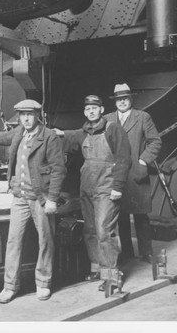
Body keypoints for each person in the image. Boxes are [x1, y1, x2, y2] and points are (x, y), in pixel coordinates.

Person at [0, 99, 66, 304]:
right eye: (22, 115)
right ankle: (10, 286)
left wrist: (52, 199)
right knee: (13, 241)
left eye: (30, 114)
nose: (26, 118)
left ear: (38, 115)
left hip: (40, 198)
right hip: (19, 197)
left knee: (45, 241)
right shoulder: (19, 133)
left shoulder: (49, 137)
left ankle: (43, 283)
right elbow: (2, 137)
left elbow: (58, 170)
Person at [54, 95, 131, 291]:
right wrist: (57, 133)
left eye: (94, 108)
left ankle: (112, 276)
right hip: (87, 186)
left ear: (102, 110)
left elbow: (124, 158)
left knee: (105, 230)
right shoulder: (83, 132)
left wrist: (118, 187)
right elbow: (69, 137)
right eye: (88, 109)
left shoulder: (113, 129)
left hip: (107, 186)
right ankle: (97, 268)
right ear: (85, 112)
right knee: (89, 229)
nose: (91, 111)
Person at [105, 84, 162, 264]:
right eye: (118, 99)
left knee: (141, 216)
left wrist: (143, 161)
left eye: (125, 98)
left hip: (136, 173)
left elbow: (155, 141)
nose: (122, 102)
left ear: (131, 99)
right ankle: (127, 252)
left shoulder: (143, 117)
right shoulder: (107, 119)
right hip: (116, 173)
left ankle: (146, 252)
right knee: (120, 214)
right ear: (115, 101)